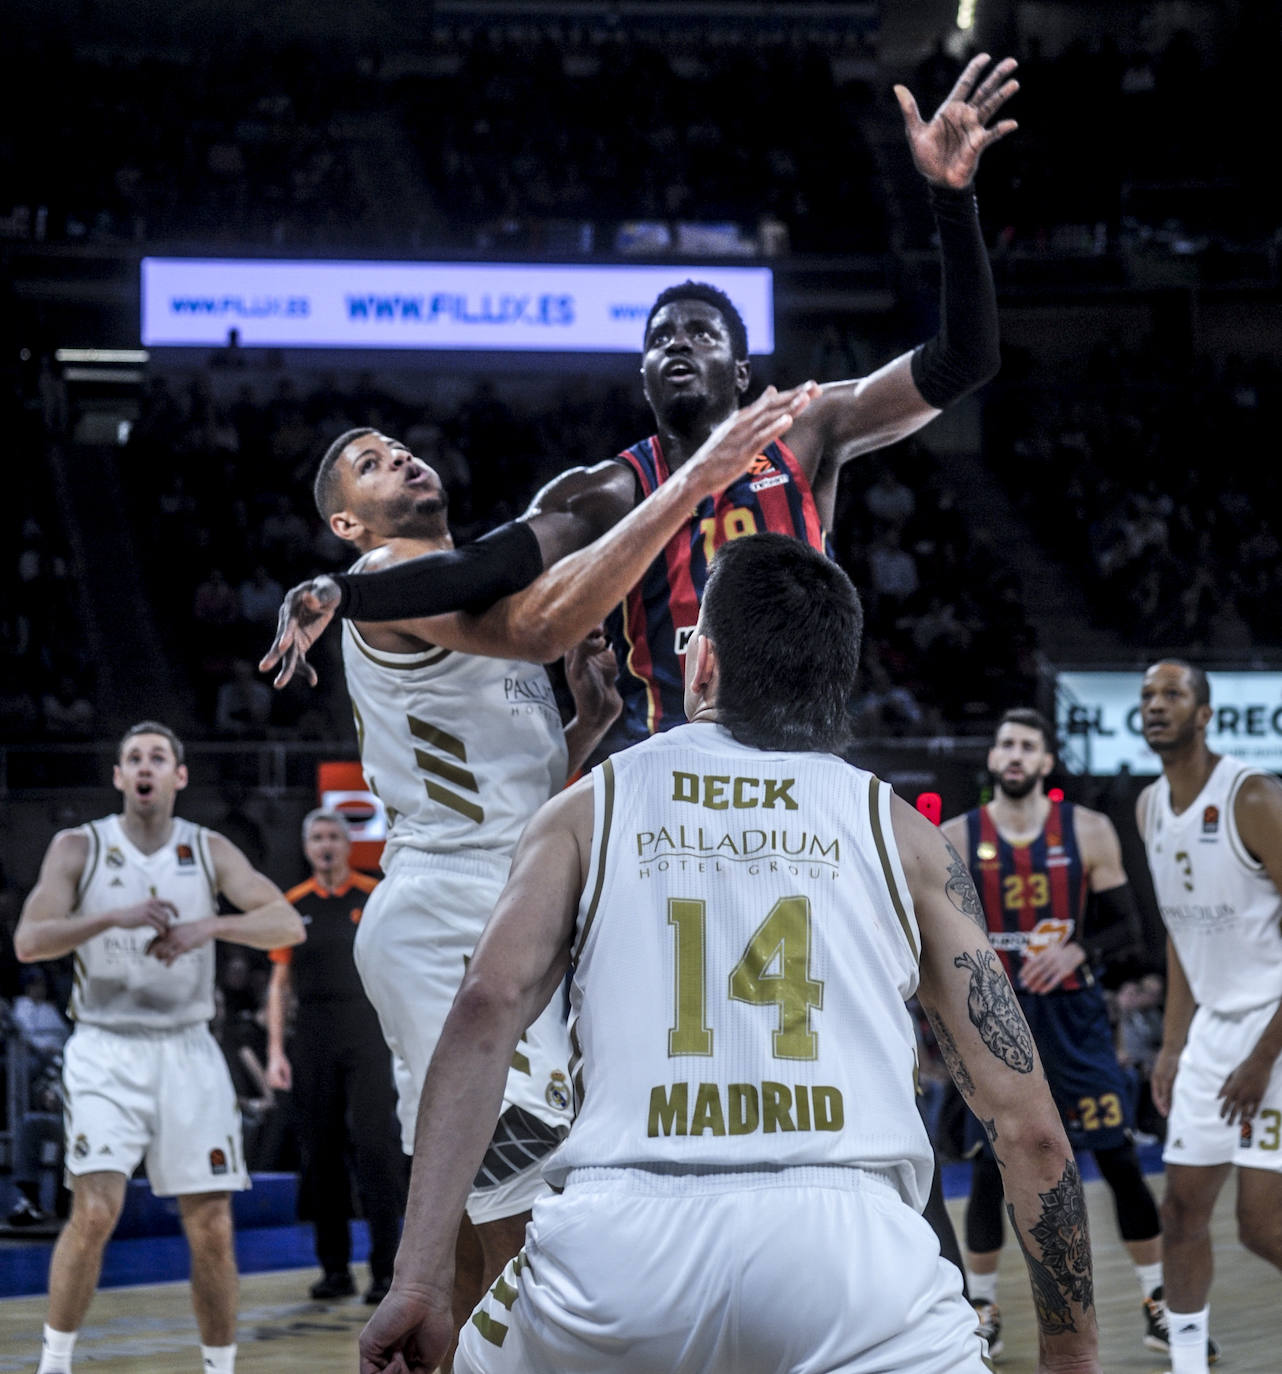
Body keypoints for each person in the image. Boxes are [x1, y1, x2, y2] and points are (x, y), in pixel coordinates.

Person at [358, 532, 1100, 1374]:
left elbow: (484, 1011)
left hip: (618, 1242)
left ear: (701, 663)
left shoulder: (586, 806)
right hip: (851, 1254)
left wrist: (418, 1280)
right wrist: (1070, 1359)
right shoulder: (906, 833)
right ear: (835, 679)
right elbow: (1030, 1133)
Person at [260, 53, 1018, 707]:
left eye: (701, 333)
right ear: (645, 378)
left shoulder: (808, 428)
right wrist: (347, 592)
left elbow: (964, 360)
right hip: (667, 753)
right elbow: (486, 565)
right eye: (660, 339)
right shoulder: (604, 490)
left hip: (799, 737)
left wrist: (951, 199)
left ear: (741, 371)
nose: (678, 344)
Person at [12, 721, 305, 1374]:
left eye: (158, 757)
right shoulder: (77, 847)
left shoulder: (206, 849)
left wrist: (212, 925)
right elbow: (29, 942)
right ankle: (53, 1364)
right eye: (133, 758)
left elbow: (286, 922)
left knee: (213, 1226)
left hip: (187, 1051)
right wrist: (109, 917)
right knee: (95, 1211)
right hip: (105, 1048)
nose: (145, 766)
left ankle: (219, 1368)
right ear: (119, 778)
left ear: (179, 777)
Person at [942, 708, 1169, 1361]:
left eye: (1027, 746)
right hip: (993, 1019)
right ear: (994, 760)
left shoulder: (1090, 831)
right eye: (1005, 743)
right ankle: (983, 1308)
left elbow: (1128, 929)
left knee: (1118, 1159)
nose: (1014, 754)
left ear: (1045, 763)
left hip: (1072, 1017)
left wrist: (1077, 952)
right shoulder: (956, 834)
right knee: (988, 1170)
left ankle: (1156, 1302)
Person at [1137, 660, 1282, 1374]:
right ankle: (1188, 1364)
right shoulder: (1148, 808)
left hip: (1276, 1030)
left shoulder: (1251, 796)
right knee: (1181, 1213)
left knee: (1261, 1226)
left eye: (1173, 695)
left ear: (1204, 714)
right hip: (1212, 1033)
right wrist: (1171, 1044)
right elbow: (1178, 932)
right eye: (1148, 696)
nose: (1156, 705)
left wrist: (1260, 1060)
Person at [265, 809, 404, 1305]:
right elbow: (279, 986)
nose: (325, 845)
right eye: (317, 836)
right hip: (314, 1039)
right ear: (306, 847)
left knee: (376, 1149)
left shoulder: (375, 895)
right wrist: (276, 1052)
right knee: (319, 1155)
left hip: (369, 1033)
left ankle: (388, 1272)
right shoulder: (291, 906)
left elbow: (400, 965)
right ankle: (334, 1272)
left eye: (332, 837)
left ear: (347, 845)